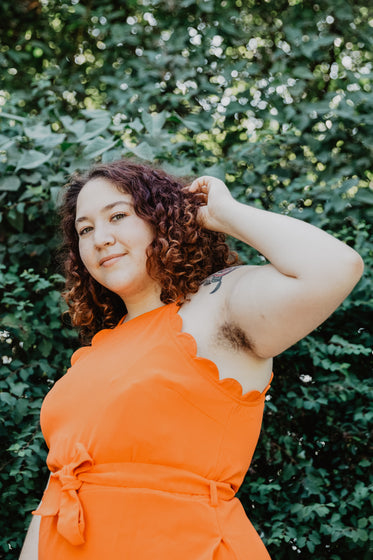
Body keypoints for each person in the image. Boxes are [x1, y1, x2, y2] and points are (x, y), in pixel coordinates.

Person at [20, 159, 363, 559]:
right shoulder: (96, 352)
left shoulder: (217, 306)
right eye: (86, 229)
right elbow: (58, 491)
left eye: (118, 215)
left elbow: (336, 267)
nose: (100, 238)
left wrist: (222, 214)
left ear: (160, 219)